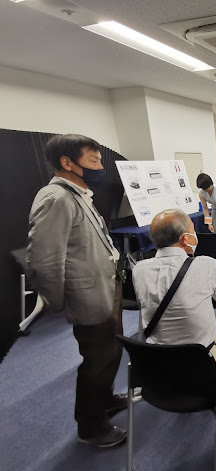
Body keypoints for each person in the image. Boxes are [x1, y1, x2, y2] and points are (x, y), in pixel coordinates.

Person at [27, 134, 127, 447]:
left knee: (111, 352)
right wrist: (58, 301)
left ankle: (105, 400)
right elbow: (43, 261)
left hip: (104, 287)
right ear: (67, 163)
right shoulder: (55, 198)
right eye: (93, 160)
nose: (100, 166)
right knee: (96, 361)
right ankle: (90, 426)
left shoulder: (79, 194)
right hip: (87, 296)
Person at [132, 209, 216, 404]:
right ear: (185, 239)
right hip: (201, 364)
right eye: (193, 230)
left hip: (157, 363)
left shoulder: (139, 270)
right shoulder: (206, 264)